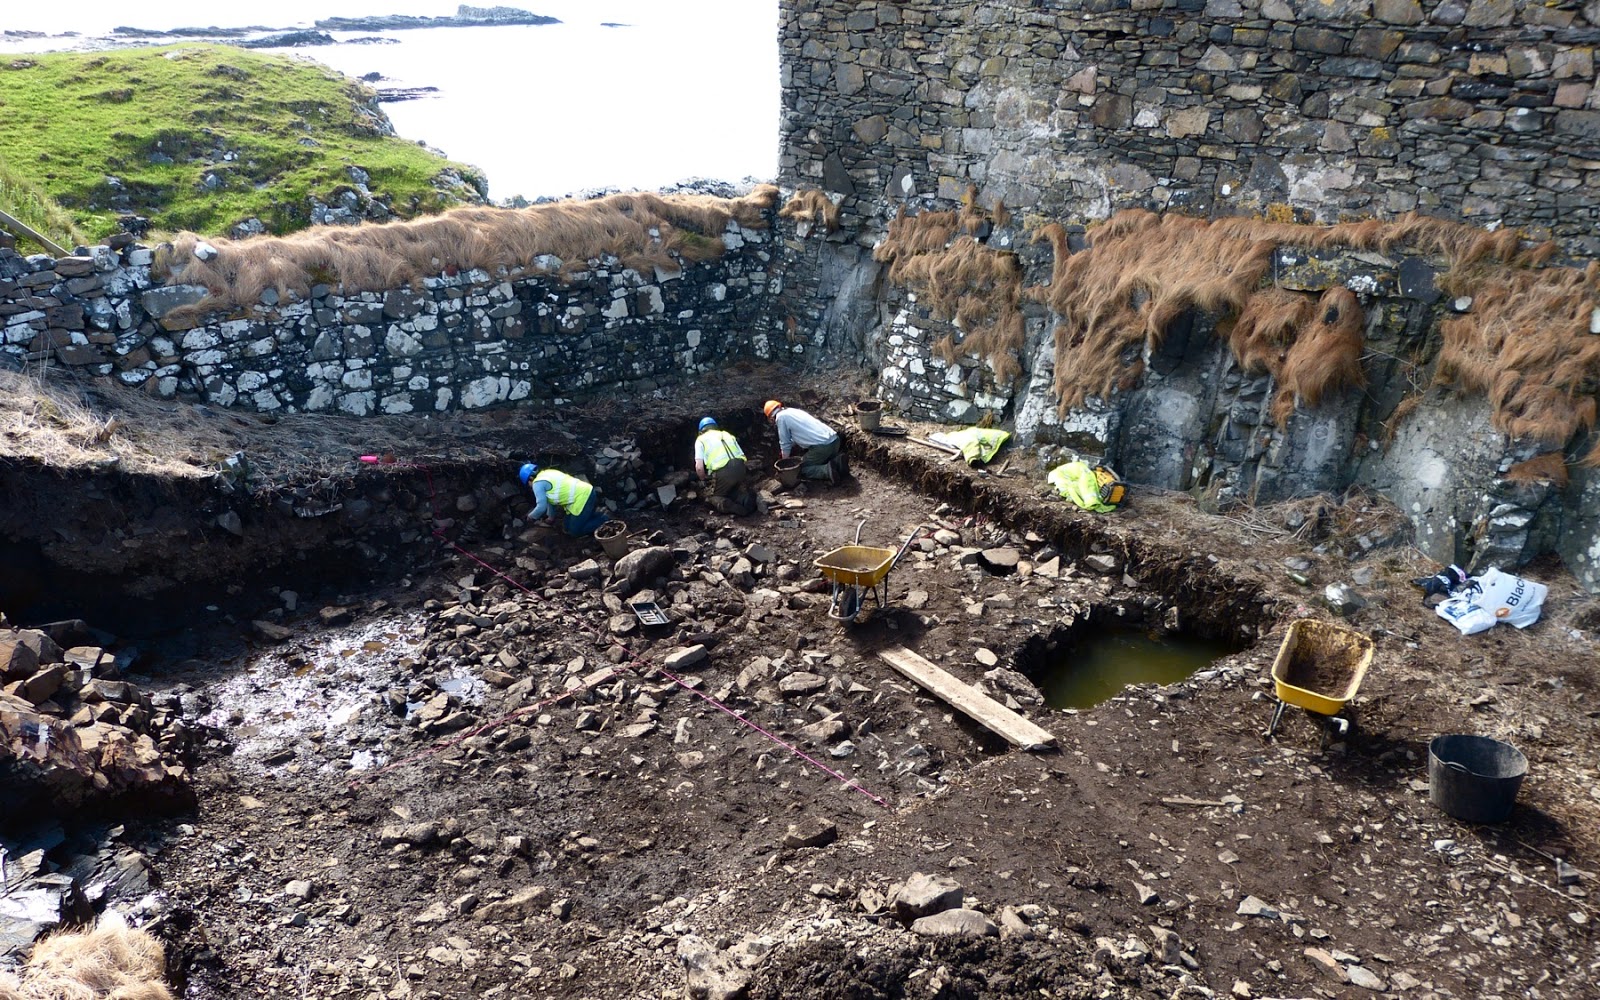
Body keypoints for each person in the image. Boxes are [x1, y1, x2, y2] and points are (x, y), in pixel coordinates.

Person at [764, 399, 846, 483]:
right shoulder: (793, 411)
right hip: (835, 441)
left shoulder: (780, 418)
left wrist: (785, 461)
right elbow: (796, 435)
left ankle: (826, 471)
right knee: (820, 459)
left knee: (801, 469)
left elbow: (785, 443)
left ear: (771, 417)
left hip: (822, 447)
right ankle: (838, 462)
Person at [519, 463, 609, 536]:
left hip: (583, 498)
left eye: (528, 484)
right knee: (566, 526)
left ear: (530, 479)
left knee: (574, 532)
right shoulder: (547, 473)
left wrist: (531, 517)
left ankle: (605, 518)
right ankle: (595, 514)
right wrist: (551, 517)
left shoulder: (537, 483)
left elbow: (541, 506)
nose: (530, 487)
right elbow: (550, 501)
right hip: (586, 492)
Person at [693, 416, 756, 515]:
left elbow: (699, 467)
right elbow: (743, 456)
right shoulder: (727, 434)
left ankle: (730, 506)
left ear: (701, 431)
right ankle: (744, 499)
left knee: (713, 496)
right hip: (740, 468)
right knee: (731, 490)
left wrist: (703, 479)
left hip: (723, 472)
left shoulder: (700, 440)